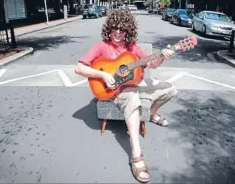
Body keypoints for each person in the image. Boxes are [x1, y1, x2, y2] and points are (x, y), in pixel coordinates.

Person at [74, 9, 177, 183]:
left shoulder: (132, 47)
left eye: (123, 29)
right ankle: (137, 156)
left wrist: (163, 56)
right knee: (132, 98)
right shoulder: (101, 46)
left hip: (135, 84)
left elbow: (152, 63)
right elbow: (79, 68)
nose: (118, 33)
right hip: (115, 90)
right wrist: (103, 75)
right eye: (115, 28)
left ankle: (151, 114)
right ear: (109, 28)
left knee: (171, 89)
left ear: (128, 31)